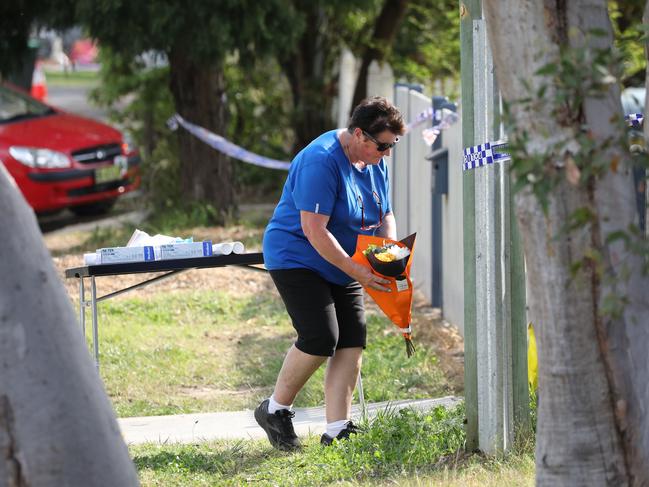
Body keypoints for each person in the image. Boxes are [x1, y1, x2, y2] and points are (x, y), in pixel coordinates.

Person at [255, 96, 405, 450]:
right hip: (298, 255)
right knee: (321, 337)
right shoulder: (320, 161)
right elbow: (314, 230)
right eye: (383, 145)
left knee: (352, 339)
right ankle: (275, 410)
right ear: (358, 134)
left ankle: (337, 428)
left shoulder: (374, 160)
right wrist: (359, 271)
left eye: (393, 145)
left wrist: (389, 253)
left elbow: (385, 214)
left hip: (345, 259)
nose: (387, 153)